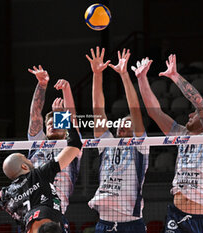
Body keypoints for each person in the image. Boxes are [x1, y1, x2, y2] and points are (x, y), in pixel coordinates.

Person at [132, 54, 203, 233]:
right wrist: (142, 79)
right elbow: (155, 113)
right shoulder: (182, 134)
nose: (190, 115)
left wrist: (175, 76)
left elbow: (198, 103)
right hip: (176, 214)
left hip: (202, 220)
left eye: (195, 114)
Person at [86, 46, 149, 233]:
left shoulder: (140, 147)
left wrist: (123, 74)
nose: (123, 124)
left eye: (128, 122)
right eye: (120, 122)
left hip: (131, 222)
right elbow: (98, 109)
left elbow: (135, 109)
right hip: (104, 222)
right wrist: (97, 75)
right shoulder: (107, 143)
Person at [27, 65, 81, 216]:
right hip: (32, 211)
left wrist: (67, 90)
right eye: (50, 124)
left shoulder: (71, 147)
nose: (53, 126)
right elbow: (35, 114)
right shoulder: (38, 142)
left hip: (56, 212)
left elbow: (73, 119)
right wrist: (42, 84)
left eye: (57, 124)